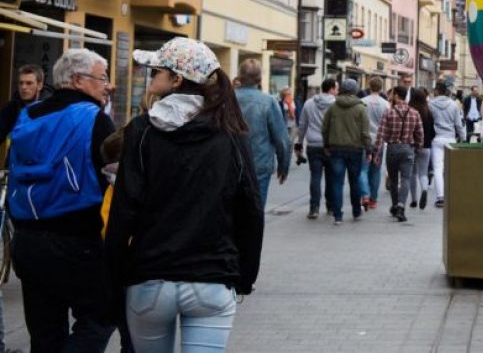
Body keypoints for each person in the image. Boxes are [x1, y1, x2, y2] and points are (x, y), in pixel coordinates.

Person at [105, 38, 263, 352]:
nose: (150, 77)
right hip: (212, 279)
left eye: (156, 71)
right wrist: (244, 276)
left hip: (150, 280)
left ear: (177, 80)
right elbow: (251, 209)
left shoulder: (142, 131)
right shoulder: (231, 132)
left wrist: (113, 277)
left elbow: (124, 210)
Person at [8, 49, 115, 352]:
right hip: (76, 238)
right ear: (78, 80)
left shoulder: (27, 115)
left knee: (44, 333)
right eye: (101, 78)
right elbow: (118, 178)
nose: (106, 85)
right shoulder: (93, 119)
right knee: (100, 317)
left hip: (28, 239)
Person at [234, 59, 289, 205]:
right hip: (259, 165)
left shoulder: (227, 99)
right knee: (255, 212)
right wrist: (284, 166)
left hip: (230, 164)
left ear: (240, 75)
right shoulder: (268, 101)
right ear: (259, 78)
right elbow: (282, 139)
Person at [321, 78, 370, 224]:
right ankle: (356, 211)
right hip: (355, 149)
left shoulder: (333, 107)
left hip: (336, 148)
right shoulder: (361, 108)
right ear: (355, 90)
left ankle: (337, 215)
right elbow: (365, 132)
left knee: (337, 182)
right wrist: (369, 149)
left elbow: (325, 128)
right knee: (354, 180)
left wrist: (327, 144)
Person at [374, 86, 424, 222]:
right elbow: (420, 133)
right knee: (406, 179)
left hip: (392, 148)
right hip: (408, 149)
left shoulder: (389, 113)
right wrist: (418, 146)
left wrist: (376, 152)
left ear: (396, 96)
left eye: (392, 95)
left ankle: (395, 205)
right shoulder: (414, 113)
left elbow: (381, 133)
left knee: (393, 179)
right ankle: (402, 206)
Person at [297, 78, 337, 219]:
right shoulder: (336, 104)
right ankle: (331, 207)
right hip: (331, 145)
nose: (337, 92)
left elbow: (302, 125)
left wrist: (299, 143)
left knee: (315, 177)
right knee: (331, 178)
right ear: (331, 89)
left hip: (313, 145)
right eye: (336, 88)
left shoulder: (309, 103)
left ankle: (314, 208)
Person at [428, 80, 465, 208]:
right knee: (450, 169)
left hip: (437, 139)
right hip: (451, 139)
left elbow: (428, 123)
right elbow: (458, 125)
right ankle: (451, 195)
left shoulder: (431, 105)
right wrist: (463, 138)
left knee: (438, 169)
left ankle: (440, 197)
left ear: (437, 91)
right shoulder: (454, 105)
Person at [360, 76, 390, 210]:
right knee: (376, 170)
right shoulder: (385, 104)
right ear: (381, 87)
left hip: (365, 139)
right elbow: (388, 123)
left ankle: (365, 194)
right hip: (379, 140)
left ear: (369, 86)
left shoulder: (362, 102)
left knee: (364, 169)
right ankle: (373, 199)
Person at [0, 63, 44, 141]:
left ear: (39, 85)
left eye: (29, 83)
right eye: (21, 83)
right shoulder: (11, 108)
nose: (23, 87)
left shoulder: (47, 109)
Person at [408, 88, 435, 209]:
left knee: (412, 173)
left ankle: (413, 199)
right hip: (426, 146)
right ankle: (424, 189)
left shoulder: (410, 111)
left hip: (412, 145)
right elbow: (433, 131)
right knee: (423, 173)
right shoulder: (428, 112)